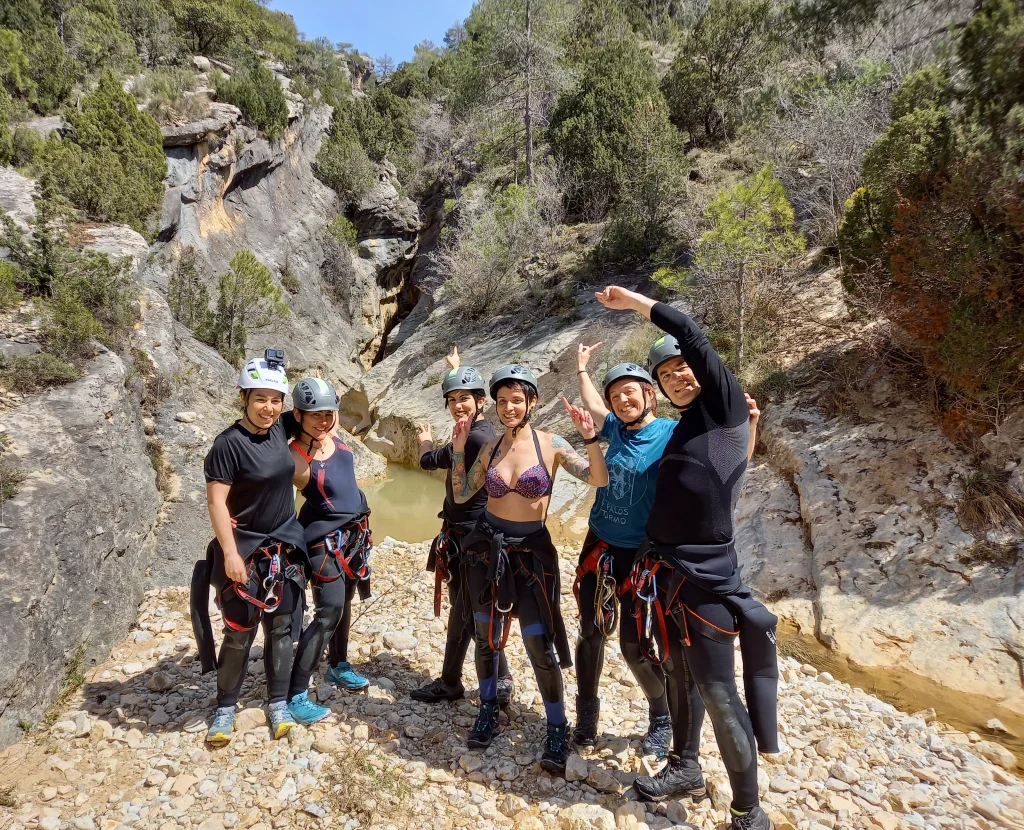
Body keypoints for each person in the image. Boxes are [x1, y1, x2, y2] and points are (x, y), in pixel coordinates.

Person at [595, 287, 779, 830]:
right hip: (666, 573)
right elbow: (725, 474)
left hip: (707, 578)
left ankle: (749, 810)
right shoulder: (690, 426)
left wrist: (633, 302)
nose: (678, 376)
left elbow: (693, 333)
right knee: (677, 674)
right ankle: (684, 763)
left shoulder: (723, 405)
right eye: (667, 372)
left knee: (719, 693)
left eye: (684, 367)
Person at [572, 345, 761, 756]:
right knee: (589, 632)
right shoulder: (614, 430)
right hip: (598, 545)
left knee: (635, 647)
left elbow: (729, 466)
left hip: (641, 554)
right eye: (616, 395)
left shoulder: (672, 433)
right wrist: (583, 369)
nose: (623, 400)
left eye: (631, 392)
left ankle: (660, 716)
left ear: (649, 395)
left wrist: (748, 426)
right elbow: (591, 402)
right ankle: (586, 715)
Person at [451, 364, 609, 775]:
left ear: (531, 402)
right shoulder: (491, 448)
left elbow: (597, 477)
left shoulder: (552, 444)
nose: (508, 408)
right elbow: (464, 491)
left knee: (539, 648)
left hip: (532, 559)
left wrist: (589, 435)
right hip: (487, 552)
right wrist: (457, 447)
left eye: (516, 400)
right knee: (486, 640)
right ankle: (487, 709)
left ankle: (557, 727)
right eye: (502, 401)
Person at [197, 350, 308, 746]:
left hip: (284, 548)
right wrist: (229, 553)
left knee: (281, 631)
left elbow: (320, 416)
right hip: (245, 550)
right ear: (243, 397)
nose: (268, 407)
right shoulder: (227, 445)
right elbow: (216, 502)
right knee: (239, 633)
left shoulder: (281, 430)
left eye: (276, 399)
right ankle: (226, 708)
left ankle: (277, 704)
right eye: (260, 398)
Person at [411, 347, 514, 705]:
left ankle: (470, 681)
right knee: (467, 610)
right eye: (452, 399)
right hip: (468, 536)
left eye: (464, 399)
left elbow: (428, 461)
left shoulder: (474, 440)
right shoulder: (480, 431)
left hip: (470, 538)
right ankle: (488, 678)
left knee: (466, 612)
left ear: (481, 401)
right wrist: (458, 370)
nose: (457, 405)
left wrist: (426, 441)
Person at [284, 377, 374, 725]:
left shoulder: (332, 438)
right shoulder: (295, 454)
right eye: (314, 416)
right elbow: (265, 481)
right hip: (324, 542)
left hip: (354, 537)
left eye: (329, 414)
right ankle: (295, 693)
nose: (323, 421)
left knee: (344, 605)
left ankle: (338, 666)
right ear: (299, 415)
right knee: (328, 611)